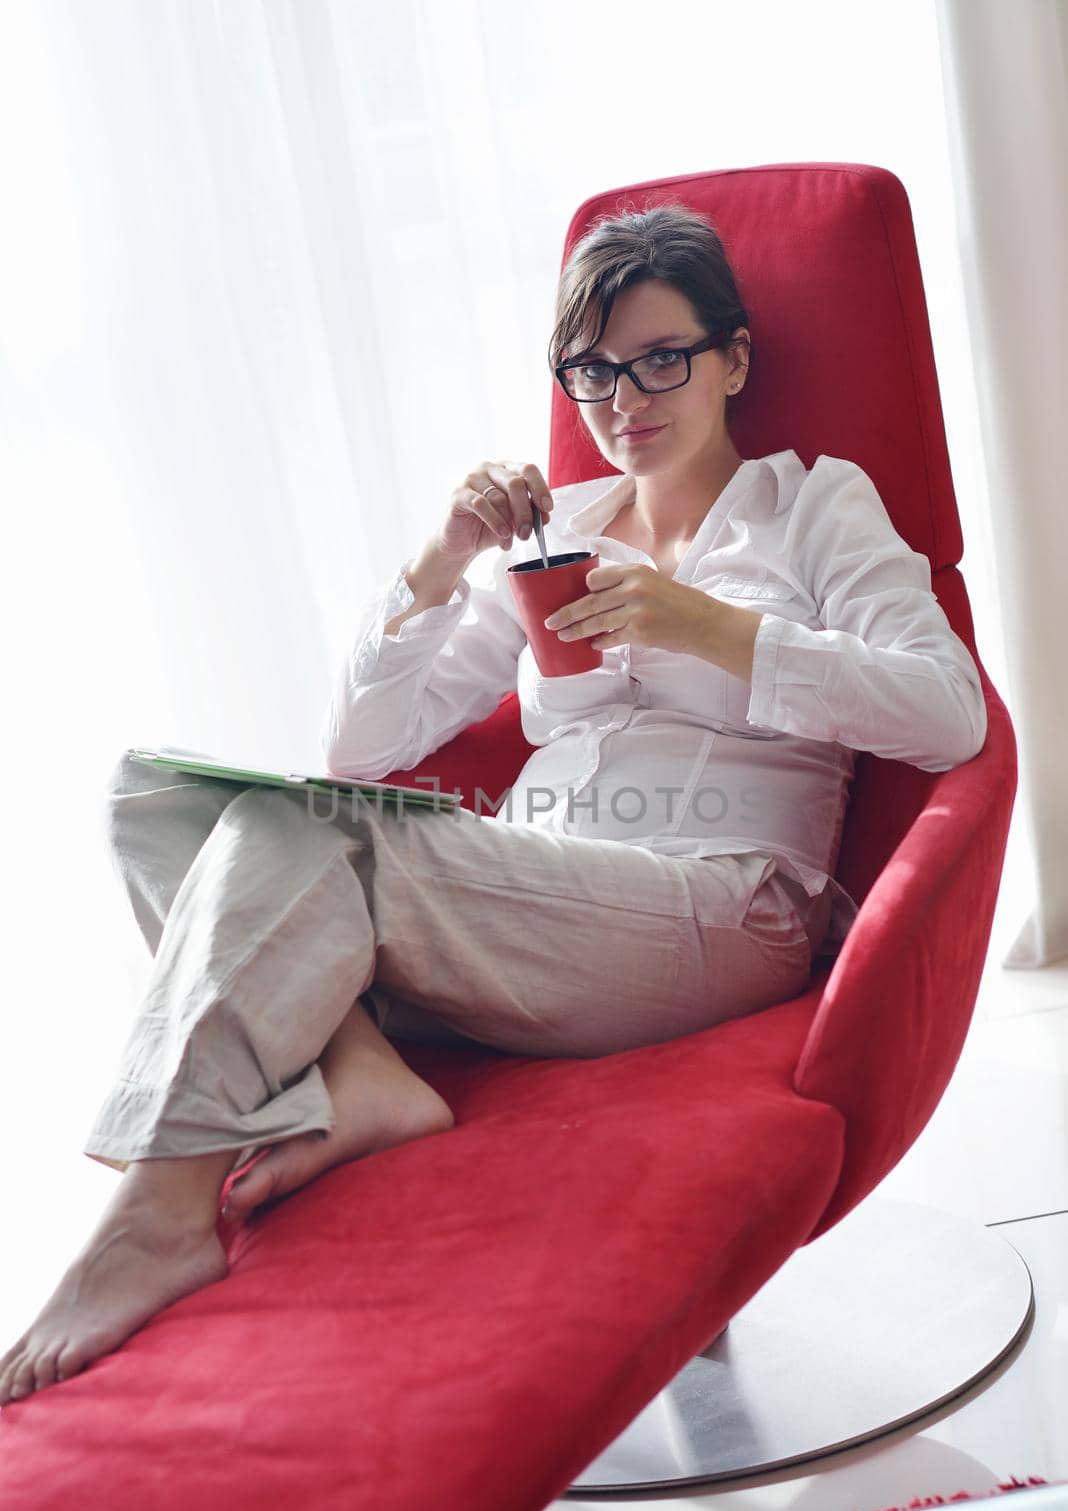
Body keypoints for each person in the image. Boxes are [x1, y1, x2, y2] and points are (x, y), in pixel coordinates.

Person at [0, 203, 986, 1407]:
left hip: (726, 904)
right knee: (150, 798)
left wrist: (709, 626)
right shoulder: (556, 532)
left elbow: (949, 715)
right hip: (532, 893)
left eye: (662, 359)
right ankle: (364, 1073)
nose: (626, 401)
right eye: (593, 372)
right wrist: (443, 557)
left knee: (306, 834)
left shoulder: (814, 506)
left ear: (734, 358)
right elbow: (359, 752)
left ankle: (158, 1201)